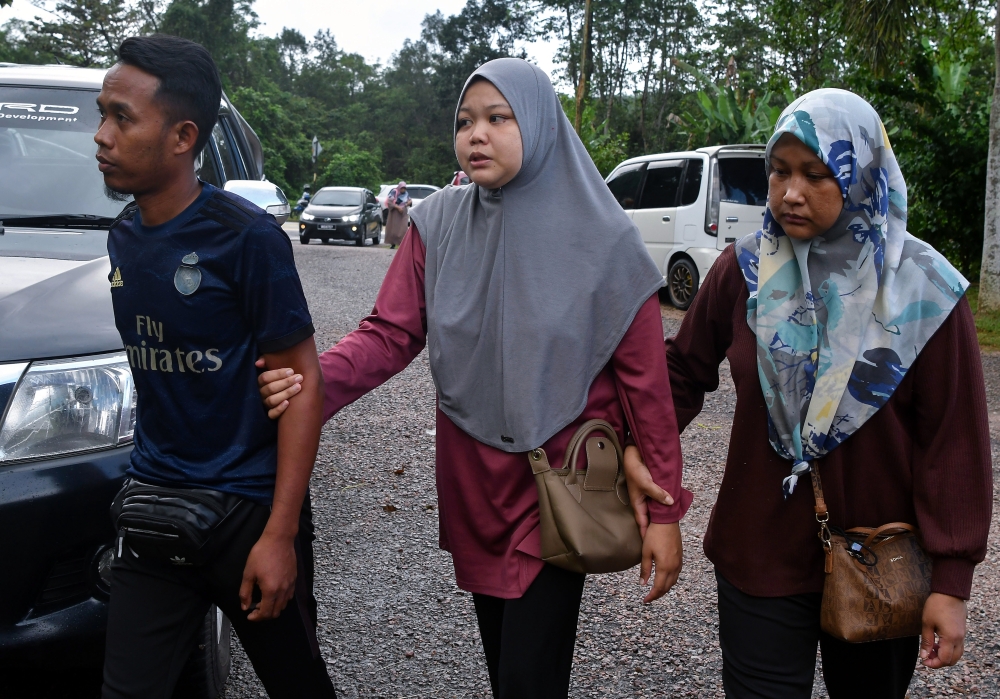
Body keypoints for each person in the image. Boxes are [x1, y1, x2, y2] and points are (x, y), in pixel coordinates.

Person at [257, 58, 691, 698]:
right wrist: (309, 388)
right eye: (465, 122)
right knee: (503, 666)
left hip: (560, 480)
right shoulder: (438, 224)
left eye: (498, 118)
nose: (476, 135)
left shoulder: (606, 244)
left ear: (540, 125)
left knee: (527, 676)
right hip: (473, 475)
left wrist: (664, 512)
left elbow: (646, 388)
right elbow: (391, 333)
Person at [624, 88, 992, 698]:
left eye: (815, 175)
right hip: (759, 546)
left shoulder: (924, 293)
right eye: (778, 171)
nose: (790, 192)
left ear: (861, 174)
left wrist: (951, 582)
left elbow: (954, 442)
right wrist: (641, 446)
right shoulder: (744, 271)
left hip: (880, 558)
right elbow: (681, 375)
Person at [96, 35, 336, 698]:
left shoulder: (247, 239)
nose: (102, 135)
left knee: (298, 683)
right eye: (102, 113)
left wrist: (280, 534)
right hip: (153, 508)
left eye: (122, 117)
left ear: (182, 137)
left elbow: (303, 380)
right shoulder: (123, 236)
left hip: (246, 514)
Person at [383, 180, 411, 248]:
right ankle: (393, 243)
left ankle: (402, 244)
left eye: (404, 188)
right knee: (393, 229)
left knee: (403, 228)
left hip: (403, 213)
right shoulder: (394, 192)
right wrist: (398, 208)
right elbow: (390, 202)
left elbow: (409, 200)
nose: (403, 190)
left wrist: (407, 204)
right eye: (402, 188)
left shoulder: (406, 193)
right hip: (395, 213)